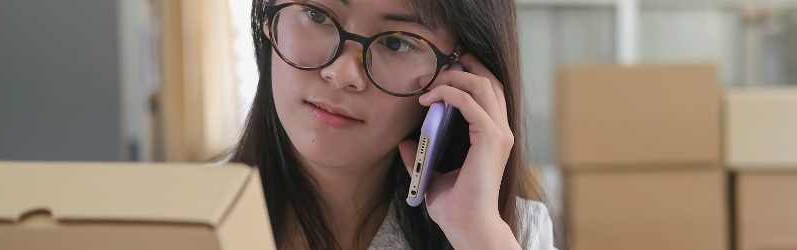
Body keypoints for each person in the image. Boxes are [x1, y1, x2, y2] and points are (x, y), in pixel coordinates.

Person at [225, 0, 555, 249]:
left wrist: (474, 232)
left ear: (459, 78)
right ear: (269, 18)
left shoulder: (511, 235)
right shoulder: (183, 216)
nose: (342, 74)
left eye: (397, 43)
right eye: (317, 15)